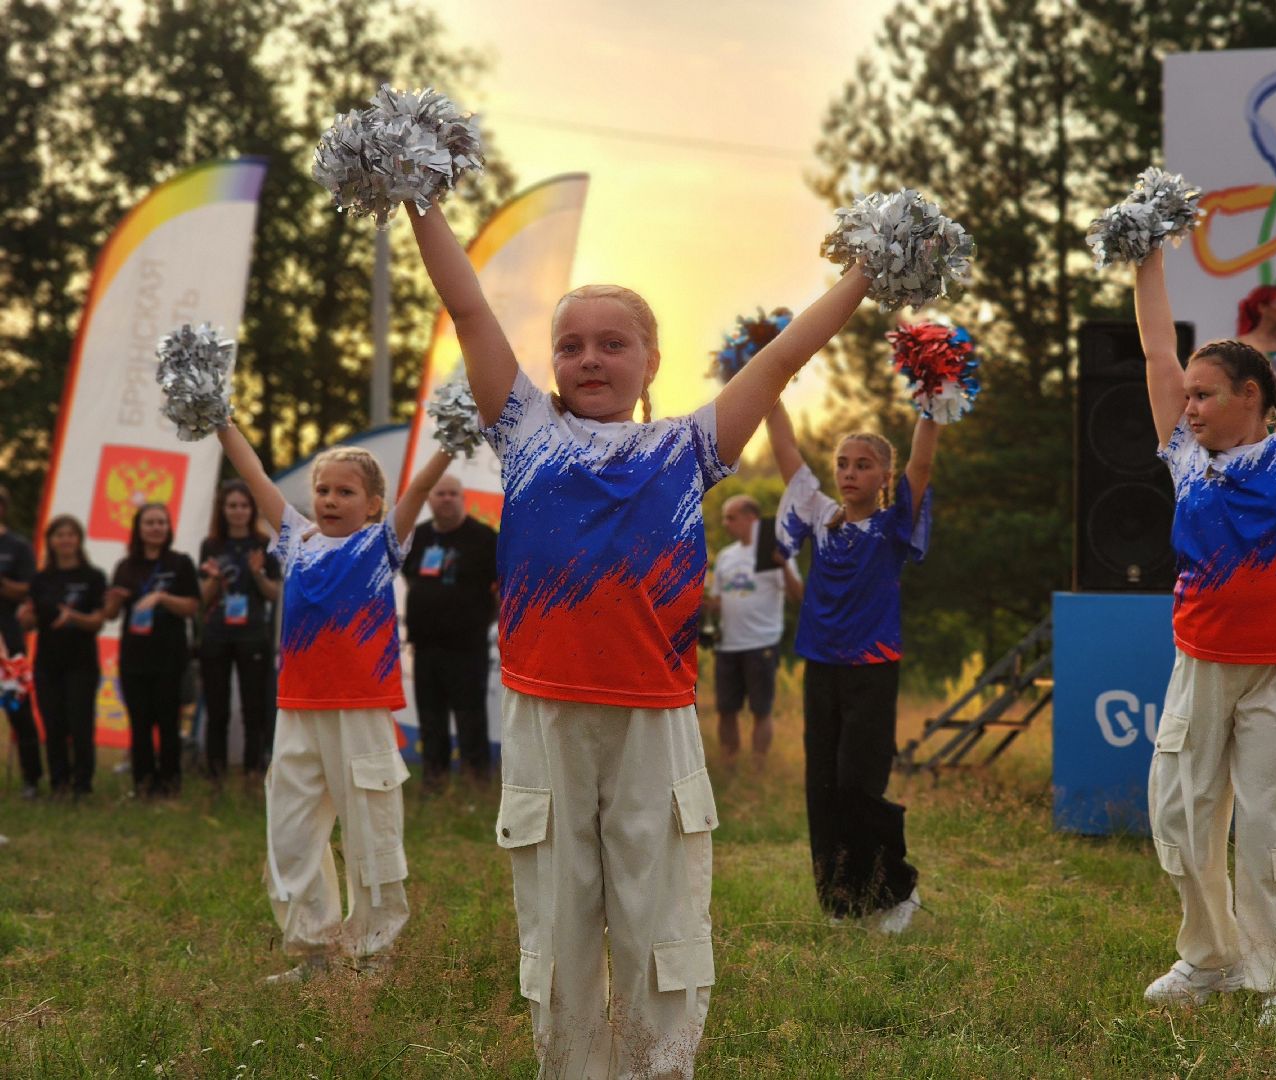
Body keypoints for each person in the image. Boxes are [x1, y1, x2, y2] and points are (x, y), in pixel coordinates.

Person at [407, 197, 869, 1077]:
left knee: (659, 918)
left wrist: (865, 273)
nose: (590, 358)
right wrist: (416, 195)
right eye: (571, 345)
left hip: (654, 720)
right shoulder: (523, 429)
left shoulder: (687, 447)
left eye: (613, 343)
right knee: (561, 913)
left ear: (651, 361)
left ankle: (659, 1067)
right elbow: (466, 305)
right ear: (548, 364)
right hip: (545, 718)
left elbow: (781, 359)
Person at [1134, 244, 1276, 1027]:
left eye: (1203, 395)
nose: (1188, 407)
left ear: (1253, 395)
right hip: (1198, 664)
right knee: (1179, 818)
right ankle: (1210, 960)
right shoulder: (1186, 460)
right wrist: (1145, 254)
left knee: (1272, 828)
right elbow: (1156, 348)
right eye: (1186, 396)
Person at [211, 420, 452, 984]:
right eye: (323, 490)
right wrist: (221, 422)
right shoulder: (294, 539)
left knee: (371, 831)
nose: (330, 500)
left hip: (362, 711)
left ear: (372, 505)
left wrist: (450, 442)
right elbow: (253, 474)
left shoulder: (380, 544)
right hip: (297, 711)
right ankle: (316, 956)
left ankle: (370, 957)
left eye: (345, 492)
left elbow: (416, 492)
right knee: (291, 835)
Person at [766, 402, 936, 935]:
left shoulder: (892, 525)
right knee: (822, 788)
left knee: (858, 785)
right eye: (843, 462)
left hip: (872, 669)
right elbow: (786, 451)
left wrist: (932, 403)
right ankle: (842, 901)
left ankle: (898, 891)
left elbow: (923, 466)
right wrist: (770, 385)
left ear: (884, 476)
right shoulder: (820, 516)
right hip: (821, 665)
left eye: (863, 464)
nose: (848, 472)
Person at [400, 473, 498, 790]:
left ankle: (476, 779)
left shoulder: (484, 538)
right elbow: (411, 577)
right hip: (426, 646)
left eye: (452, 494)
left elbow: (500, 590)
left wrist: (481, 619)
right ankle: (434, 779)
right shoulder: (419, 536)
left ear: (462, 498)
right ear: (429, 499)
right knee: (431, 719)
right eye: (440, 494)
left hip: (467, 647)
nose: (446, 499)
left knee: (470, 717)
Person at [103, 503, 200, 798]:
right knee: (140, 725)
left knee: (168, 725)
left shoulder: (180, 563)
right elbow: (109, 615)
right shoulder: (126, 566)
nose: (156, 528)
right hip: (134, 658)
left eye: (161, 523)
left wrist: (161, 597)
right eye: (150, 523)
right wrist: (115, 601)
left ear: (168, 529)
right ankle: (143, 785)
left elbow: (192, 607)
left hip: (170, 657)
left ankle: (170, 786)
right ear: (139, 529)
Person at [705, 494, 801, 761]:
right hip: (727, 645)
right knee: (726, 709)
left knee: (761, 710)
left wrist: (784, 567)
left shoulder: (776, 553)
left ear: (751, 518)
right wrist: (703, 602)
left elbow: (798, 596)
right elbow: (717, 602)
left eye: (731, 517)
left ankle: (759, 767)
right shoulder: (725, 556)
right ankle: (729, 763)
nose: (725, 523)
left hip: (761, 643)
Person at [198, 480, 280, 784]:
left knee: (254, 708)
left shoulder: (264, 544)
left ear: (252, 509)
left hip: (253, 635)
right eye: (232, 505)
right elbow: (202, 599)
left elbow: (273, 594)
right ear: (223, 509)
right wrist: (215, 580)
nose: (238, 511)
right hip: (216, 634)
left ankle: (253, 771)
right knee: (217, 708)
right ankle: (215, 774)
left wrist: (258, 573)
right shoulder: (211, 546)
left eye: (243, 505)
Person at [18, 516, 106, 797]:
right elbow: (31, 622)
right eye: (59, 535)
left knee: (80, 725)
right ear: (51, 542)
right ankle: (59, 782)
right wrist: (25, 618)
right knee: (53, 724)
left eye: (70, 534)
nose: (65, 540)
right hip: (47, 662)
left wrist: (74, 617)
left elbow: (98, 621)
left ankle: (82, 784)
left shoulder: (93, 577)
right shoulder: (41, 579)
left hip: (81, 662)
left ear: (79, 540)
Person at [0, 486, 41, 799]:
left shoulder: (18, 547)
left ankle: (31, 779)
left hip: (8, 641)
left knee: (19, 709)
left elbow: (28, 590)